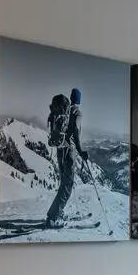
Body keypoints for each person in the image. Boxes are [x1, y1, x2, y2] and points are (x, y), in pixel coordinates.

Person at [44, 89, 83, 228]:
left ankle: (58, 213)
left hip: (60, 150)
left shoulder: (63, 111)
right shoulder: (76, 112)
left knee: (63, 183)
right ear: (79, 99)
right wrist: (81, 150)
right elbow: (76, 132)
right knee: (67, 185)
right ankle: (53, 218)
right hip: (69, 150)